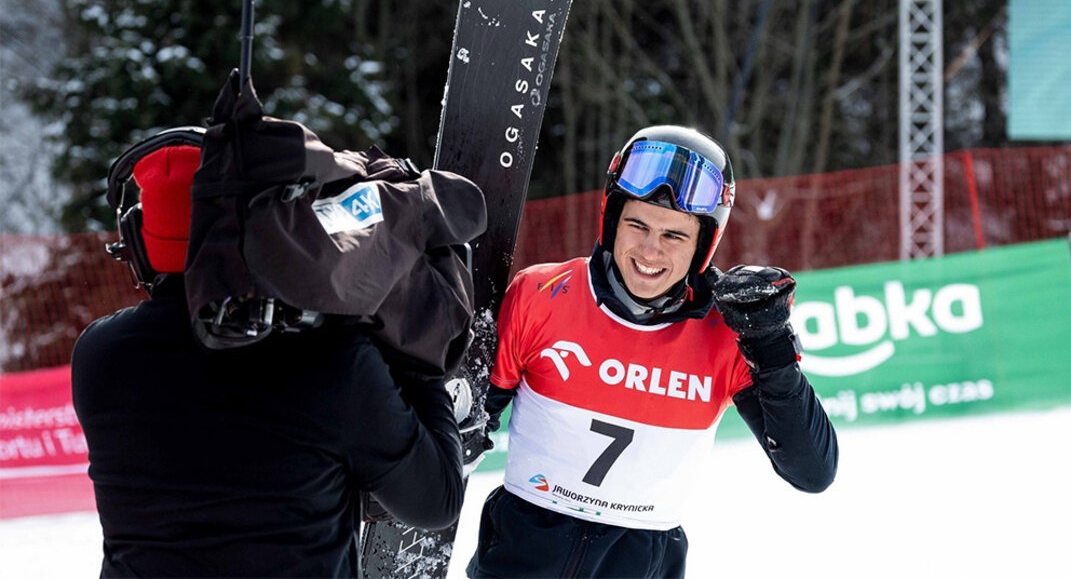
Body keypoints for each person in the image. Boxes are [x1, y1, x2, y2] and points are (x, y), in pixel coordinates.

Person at [71, 132, 465, 578]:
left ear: (139, 246)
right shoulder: (329, 354)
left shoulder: (98, 356)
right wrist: (420, 360)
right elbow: (436, 502)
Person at [466, 125, 839, 578]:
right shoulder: (541, 293)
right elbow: (468, 422)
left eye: (674, 236)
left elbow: (812, 472)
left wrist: (772, 349)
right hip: (518, 560)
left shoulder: (728, 330)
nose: (649, 250)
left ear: (704, 244)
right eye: (636, 225)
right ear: (610, 219)